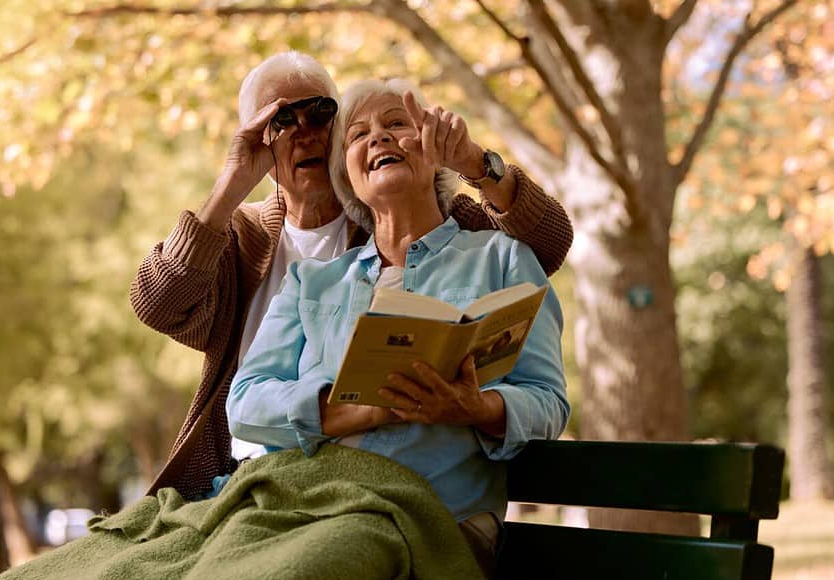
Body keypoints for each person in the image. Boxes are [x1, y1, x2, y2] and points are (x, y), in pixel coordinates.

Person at [131, 51, 573, 501]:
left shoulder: (424, 214)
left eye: (322, 112)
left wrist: (476, 163)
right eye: (282, 119)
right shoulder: (249, 242)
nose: (306, 131)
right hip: (244, 474)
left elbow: (546, 245)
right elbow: (159, 305)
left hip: (376, 492)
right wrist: (231, 183)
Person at [227, 78, 570, 575]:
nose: (379, 139)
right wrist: (351, 410)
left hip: (435, 518)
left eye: (396, 125)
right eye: (358, 135)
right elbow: (246, 402)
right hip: (311, 505)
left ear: (434, 153)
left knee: (286, 574)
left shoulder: (502, 259)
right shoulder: (312, 283)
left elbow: (548, 401)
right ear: (346, 174)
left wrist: (478, 408)